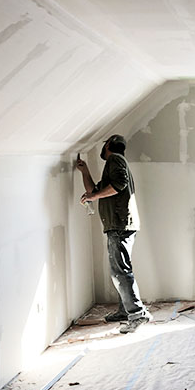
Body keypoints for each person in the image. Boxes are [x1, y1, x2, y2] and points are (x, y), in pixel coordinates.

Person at [76, 134, 151, 333]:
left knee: (121, 271)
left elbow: (119, 185)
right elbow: (95, 190)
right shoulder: (113, 163)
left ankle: (137, 314)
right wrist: (85, 172)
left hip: (120, 224)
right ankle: (125, 311)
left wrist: (94, 195)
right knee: (119, 270)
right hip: (119, 224)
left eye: (104, 144)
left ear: (109, 145)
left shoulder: (115, 160)